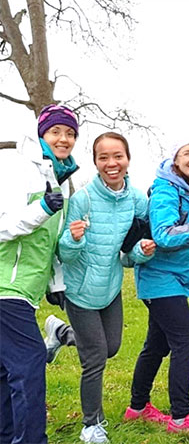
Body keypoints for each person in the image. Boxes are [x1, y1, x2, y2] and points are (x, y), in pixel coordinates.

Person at [58, 132, 156, 443]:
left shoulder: (138, 200)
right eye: (104, 158)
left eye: (118, 156)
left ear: (128, 159)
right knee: (96, 356)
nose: (111, 163)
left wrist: (142, 252)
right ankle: (91, 424)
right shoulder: (83, 199)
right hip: (80, 290)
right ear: (96, 162)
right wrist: (73, 239)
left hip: (110, 288)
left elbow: (128, 255)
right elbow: (63, 253)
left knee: (110, 347)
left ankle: (61, 334)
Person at [126, 139, 189, 435]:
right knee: (186, 340)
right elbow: (165, 235)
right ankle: (181, 418)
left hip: (174, 280)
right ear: (175, 160)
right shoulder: (166, 190)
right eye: (187, 153)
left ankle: (138, 408)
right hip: (158, 278)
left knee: (157, 344)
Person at [0, 104, 79, 444]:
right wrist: (42, 209)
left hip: (25, 290)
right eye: (56, 131)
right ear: (41, 133)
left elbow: (47, 242)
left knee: (7, 372)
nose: (64, 139)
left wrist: (55, 284)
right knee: (30, 364)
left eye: (70, 133)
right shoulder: (17, 169)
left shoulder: (55, 176)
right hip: (6, 286)